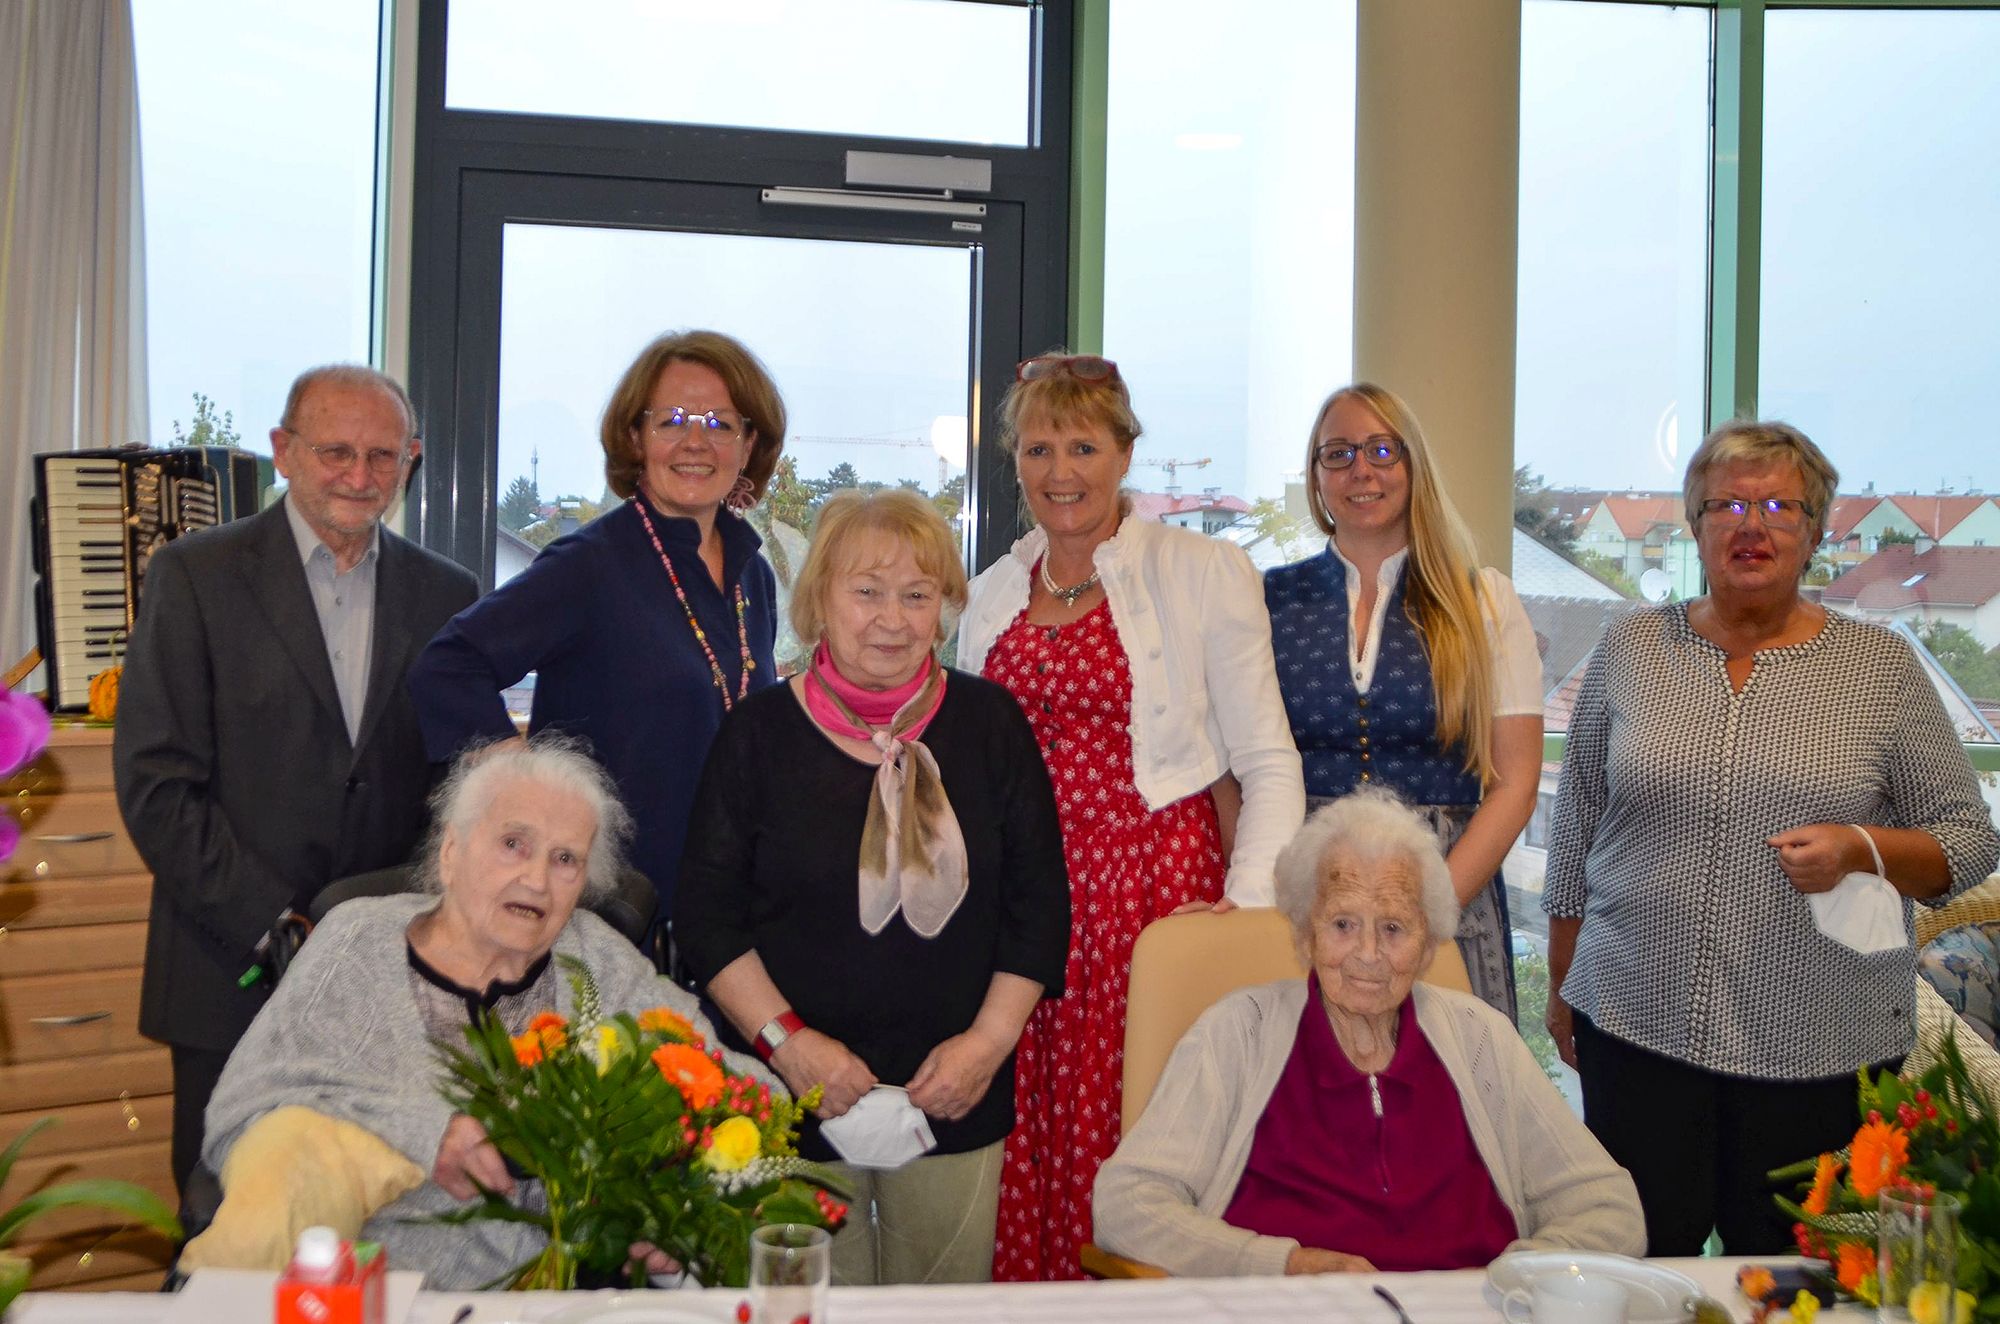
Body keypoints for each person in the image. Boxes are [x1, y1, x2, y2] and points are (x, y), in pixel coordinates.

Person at [1545, 419, 2000, 1255]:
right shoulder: (1631, 647)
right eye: (1727, 504)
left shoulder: (1881, 670)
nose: (1751, 524)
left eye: (1779, 505)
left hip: (1821, 1044)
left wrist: (1863, 848)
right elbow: (1575, 824)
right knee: (1639, 1270)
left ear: (1816, 531)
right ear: (1695, 526)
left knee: (1794, 1284)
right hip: (1636, 1021)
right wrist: (1565, 984)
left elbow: (1970, 839)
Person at [955, 352, 1305, 1281]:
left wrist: (1251, 905)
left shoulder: (1203, 572)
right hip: (1020, 902)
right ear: (1014, 461)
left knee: (1141, 1121)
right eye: (1038, 448)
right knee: (1023, 1119)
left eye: (1083, 445)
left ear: (1124, 454)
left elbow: (1268, 759)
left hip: (1148, 897)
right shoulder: (992, 588)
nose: (1061, 470)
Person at [676, 489, 1069, 1286]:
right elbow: (707, 920)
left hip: (957, 1093)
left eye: (918, 595)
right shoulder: (755, 734)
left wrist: (986, 1049)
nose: (893, 618)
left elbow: (1038, 910)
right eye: (867, 591)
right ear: (820, 599)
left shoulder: (992, 726)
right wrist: (789, 1045)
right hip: (789, 1097)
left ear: (946, 609)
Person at [203, 736, 754, 1289]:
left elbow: (743, 1092)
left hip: (549, 1297)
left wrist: (667, 1204)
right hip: (366, 1289)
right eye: (514, 843)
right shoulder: (357, 944)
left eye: (566, 859)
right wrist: (424, 1135)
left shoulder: (596, 961)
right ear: (449, 852)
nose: (537, 879)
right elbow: (241, 1114)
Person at [114, 363, 479, 1196]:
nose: (360, 476)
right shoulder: (195, 577)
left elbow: (451, 789)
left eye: (383, 456)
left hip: (387, 977)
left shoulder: (448, 594)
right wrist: (271, 921)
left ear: (411, 460)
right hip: (228, 966)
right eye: (336, 452)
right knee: (227, 1221)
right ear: (284, 450)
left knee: (376, 1215)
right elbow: (156, 782)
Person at [1093, 788, 1643, 1276]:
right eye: (1342, 924)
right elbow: (1128, 1204)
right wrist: (1279, 1263)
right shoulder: (1238, 1034)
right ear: (1306, 932)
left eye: (1394, 928)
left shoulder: (1480, 1039)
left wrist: (1516, 1279)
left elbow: (1608, 1207)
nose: (1368, 955)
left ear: (1429, 942)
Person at [408, 329, 786, 924]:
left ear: (749, 443)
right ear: (636, 438)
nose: (696, 441)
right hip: (614, 904)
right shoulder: (590, 563)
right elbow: (449, 665)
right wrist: (523, 780)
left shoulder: (753, 576)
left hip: (730, 894)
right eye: (672, 421)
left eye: (719, 422)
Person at [1264, 383, 1542, 1020]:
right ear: (1316, 477)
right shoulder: (1267, 601)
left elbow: (1517, 783)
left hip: (1447, 889)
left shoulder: (1483, 601)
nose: (1360, 469)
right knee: (1319, 1100)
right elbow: (1240, 766)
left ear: (1414, 466)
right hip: (1312, 895)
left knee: (1445, 1100)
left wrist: (1428, 911)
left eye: (1382, 450)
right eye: (1338, 454)